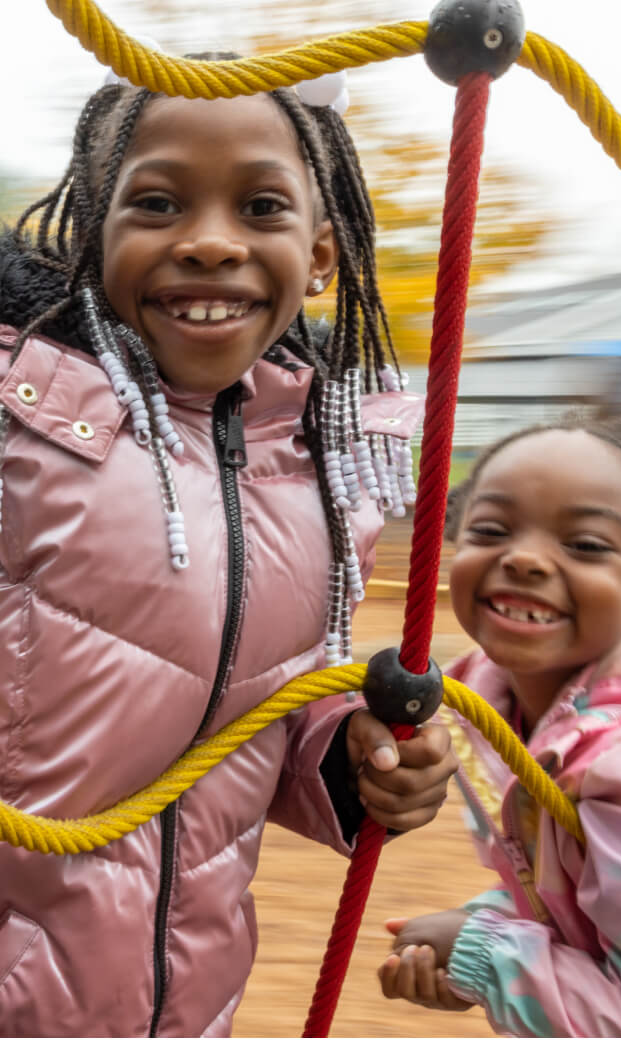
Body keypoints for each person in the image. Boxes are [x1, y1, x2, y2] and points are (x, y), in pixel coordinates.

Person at [0, 60, 458, 1037]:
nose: (209, 242)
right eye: (158, 202)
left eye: (259, 207)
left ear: (323, 253)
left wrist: (355, 762)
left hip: (185, 997)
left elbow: (263, 711)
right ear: (96, 235)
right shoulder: (19, 411)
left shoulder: (321, 467)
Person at [378, 412, 621, 1037]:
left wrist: (488, 959)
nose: (524, 558)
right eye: (492, 529)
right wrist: (490, 927)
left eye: (585, 544)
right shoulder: (500, 710)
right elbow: (588, 897)